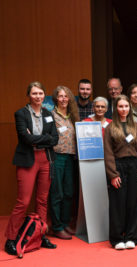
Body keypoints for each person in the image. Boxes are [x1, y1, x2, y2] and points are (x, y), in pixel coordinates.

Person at [4, 82, 58, 255]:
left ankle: (39, 236)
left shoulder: (48, 114)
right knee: (24, 201)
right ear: (29, 95)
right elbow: (25, 139)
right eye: (34, 93)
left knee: (42, 200)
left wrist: (36, 137)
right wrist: (44, 138)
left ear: (44, 95)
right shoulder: (21, 113)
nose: (38, 96)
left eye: (41, 93)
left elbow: (54, 139)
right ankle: (11, 239)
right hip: (28, 159)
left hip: (46, 159)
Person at [103, 95, 137, 250]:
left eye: (126, 106)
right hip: (118, 166)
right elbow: (108, 153)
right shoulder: (110, 128)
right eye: (120, 106)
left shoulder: (136, 127)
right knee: (117, 203)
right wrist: (113, 175)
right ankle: (116, 238)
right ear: (116, 108)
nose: (124, 109)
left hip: (134, 166)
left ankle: (131, 237)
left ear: (130, 108)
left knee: (133, 203)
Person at [49, 86, 79, 239]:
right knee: (57, 193)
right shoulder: (50, 115)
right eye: (60, 96)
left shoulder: (72, 116)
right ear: (56, 98)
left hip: (70, 157)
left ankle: (66, 223)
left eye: (66, 96)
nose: (63, 99)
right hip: (57, 157)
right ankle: (57, 226)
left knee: (68, 192)